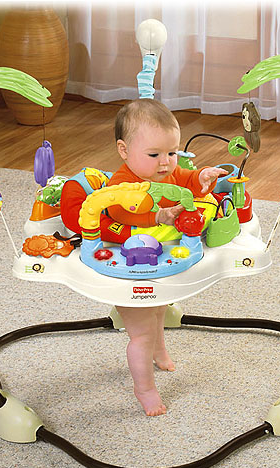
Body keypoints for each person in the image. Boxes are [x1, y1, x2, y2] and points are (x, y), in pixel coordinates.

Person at [107, 99, 222, 416]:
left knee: (159, 310)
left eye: (172, 152)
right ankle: (144, 389)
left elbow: (185, 178)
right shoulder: (121, 185)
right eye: (154, 155)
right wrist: (156, 216)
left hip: (159, 260)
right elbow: (117, 212)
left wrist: (202, 177)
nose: (166, 163)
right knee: (141, 332)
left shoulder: (167, 172)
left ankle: (159, 352)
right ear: (124, 150)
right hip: (130, 267)